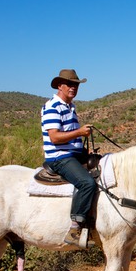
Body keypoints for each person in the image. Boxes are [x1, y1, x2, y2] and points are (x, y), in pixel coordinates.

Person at [41, 69, 96, 248]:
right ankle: (75, 228)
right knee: (87, 183)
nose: (73, 88)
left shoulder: (70, 107)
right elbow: (55, 137)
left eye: (76, 85)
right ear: (60, 86)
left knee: (103, 164)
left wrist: (83, 150)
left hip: (72, 153)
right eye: (69, 84)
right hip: (59, 157)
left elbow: (70, 137)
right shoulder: (52, 107)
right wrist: (79, 132)